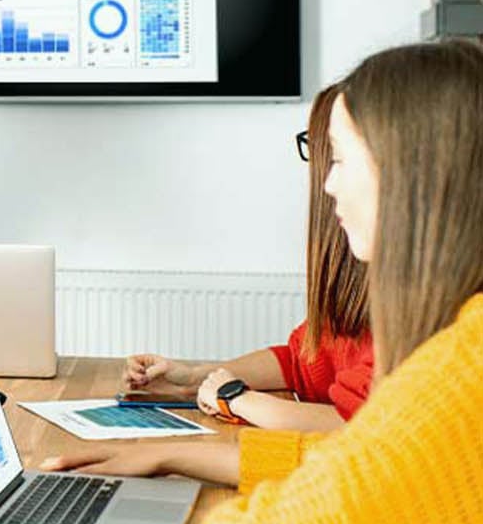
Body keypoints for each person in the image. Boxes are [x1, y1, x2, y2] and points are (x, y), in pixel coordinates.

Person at [43, 39, 483, 524]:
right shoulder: (457, 337)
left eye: (339, 159)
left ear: (410, 172)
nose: (327, 186)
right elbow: (359, 462)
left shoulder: (458, 370)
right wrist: (171, 456)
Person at [122, 86, 372, 431]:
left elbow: (361, 426)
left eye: (337, 157)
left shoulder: (415, 310)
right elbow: (300, 362)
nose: (326, 183)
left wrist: (237, 398)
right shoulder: (358, 284)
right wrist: (194, 377)